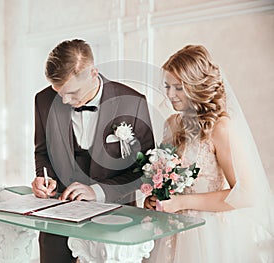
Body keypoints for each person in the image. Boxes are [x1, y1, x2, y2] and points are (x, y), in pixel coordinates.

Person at [144, 45, 274, 262]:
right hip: (171, 230)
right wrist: (156, 197)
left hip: (208, 233)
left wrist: (181, 203)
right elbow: (168, 181)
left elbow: (245, 194)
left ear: (197, 86)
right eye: (167, 86)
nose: (170, 94)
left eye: (178, 87)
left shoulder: (220, 128)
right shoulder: (172, 124)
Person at [31, 39, 154, 263]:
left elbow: (146, 169)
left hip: (115, 219)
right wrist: (44, 177)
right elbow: (42, 152)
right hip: (58, 216)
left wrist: (98, 192)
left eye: (73, 92)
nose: (65, 100)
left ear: (93, 73)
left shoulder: (132, 102)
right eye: (59, 92)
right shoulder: (43, 100)